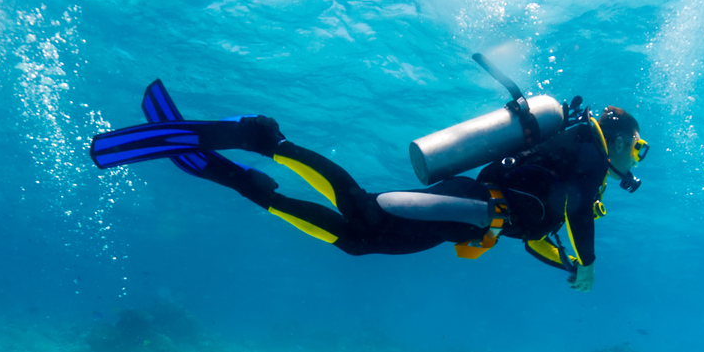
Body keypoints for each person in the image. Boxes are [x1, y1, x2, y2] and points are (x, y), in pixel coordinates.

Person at [89, 80, 648, 292]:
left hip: (470, 214)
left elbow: (540, 234)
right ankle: (263, 139)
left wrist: (570, 266)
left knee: (359, 239)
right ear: (619, 138)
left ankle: (242, 181)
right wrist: (590, 261)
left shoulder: (578, 164)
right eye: (638, 147)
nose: (635, 159)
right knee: (361, 210)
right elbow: (570, 218)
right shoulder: (590, 151)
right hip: (471, 205)